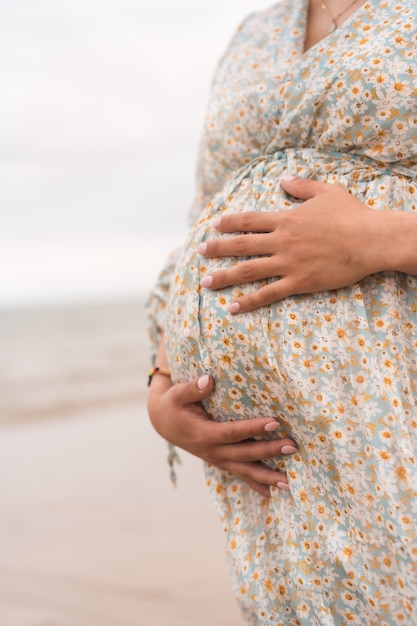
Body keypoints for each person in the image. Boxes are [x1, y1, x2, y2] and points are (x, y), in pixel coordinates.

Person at [147, 0, 417, 623]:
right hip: (274, 484)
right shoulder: (255, 31)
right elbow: (203, 219)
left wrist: (376, 239)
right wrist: (162, 387)